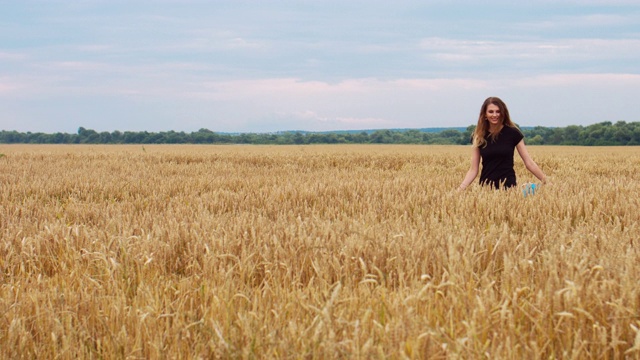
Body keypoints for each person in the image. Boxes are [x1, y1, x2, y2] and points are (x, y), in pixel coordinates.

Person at [458, 97, 549, 191]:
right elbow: (473, 169)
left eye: (498, 111)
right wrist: (460, 190)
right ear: (485, 114)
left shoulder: (513, 133)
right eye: (491, 112)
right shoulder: (478, 136)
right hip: (486, 189)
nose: (495, 115)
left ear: (503, 113)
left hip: (509, 188)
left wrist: (547, 182)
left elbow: (529, 163)